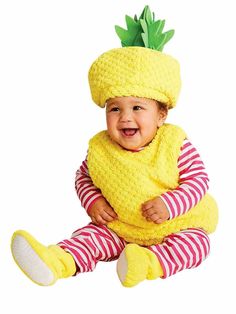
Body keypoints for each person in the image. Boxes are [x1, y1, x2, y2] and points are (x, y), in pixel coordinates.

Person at [11, 6, 218, 287]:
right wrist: (93, 201)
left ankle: (147, 262)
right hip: (119, 228)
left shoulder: (174, 144)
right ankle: (56, 261)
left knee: (198, 244)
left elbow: (198, 181)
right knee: (90, 236)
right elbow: (83, 177)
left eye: (137, 107)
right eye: (114, 109)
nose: (125, 118)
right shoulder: (101, 148)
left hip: (174, 226)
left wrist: (169, 205)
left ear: (161, 115)